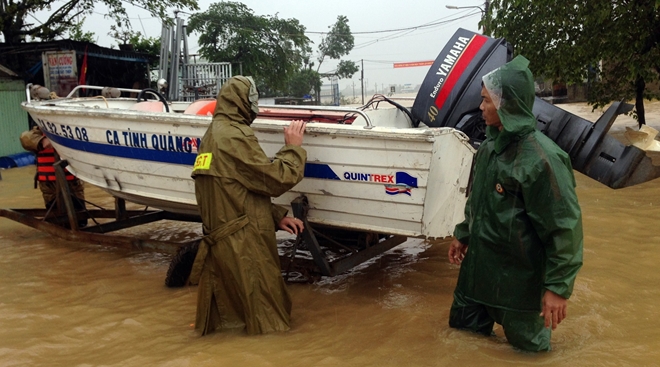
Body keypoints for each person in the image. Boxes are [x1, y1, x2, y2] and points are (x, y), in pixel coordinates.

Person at [447, 55, 583, 352]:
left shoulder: (543, 160)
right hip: (476, 278)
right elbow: (477, 201)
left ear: (506, 104)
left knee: (530, 356)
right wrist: (463, 234)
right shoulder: (488, 149)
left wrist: (557, 289)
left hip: (519, 286)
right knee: (460, 343)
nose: (480, 108)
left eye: (486, 101)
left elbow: (564, 228)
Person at [189, 75, 307, 335]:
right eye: (253, 100)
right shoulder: (233, 137)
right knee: (269, 321)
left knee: (234, 319)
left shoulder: (213, 134)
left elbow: (230, 189)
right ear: (241, 102)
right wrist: (293, 149)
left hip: (225, 241)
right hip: (243, 244)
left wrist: (275, 216)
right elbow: (276, 179)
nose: (257, 108)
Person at [20, 126, 87, 227]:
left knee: (80, 221)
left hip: (73, 182)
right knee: (56, 221)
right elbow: (25, 138)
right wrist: (42, 141)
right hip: (50, 185)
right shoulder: (37, 133)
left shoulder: (73, 130)